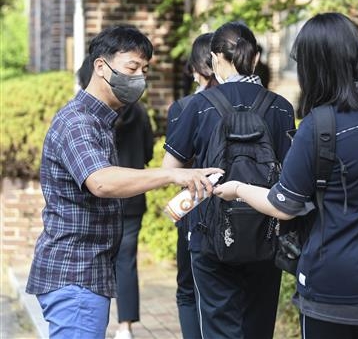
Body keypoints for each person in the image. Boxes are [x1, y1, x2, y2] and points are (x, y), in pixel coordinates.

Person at [214, 12, 358, 339]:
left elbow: (283, 204)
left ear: (315, 65)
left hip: (334, 287)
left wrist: (238, 188)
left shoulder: (320, 126)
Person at [26, 25, 222, 339]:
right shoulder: (78, 121)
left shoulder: (103, 120)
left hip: (87, 274)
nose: (139, 79)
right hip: (76, 274)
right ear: (101, 67)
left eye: (144, 70)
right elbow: (101, 182)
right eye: (132, 68)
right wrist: (172, 173)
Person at [162, 21, 295, 339]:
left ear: (215, 57)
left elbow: (170, 169)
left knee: (219, 328)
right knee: (258, 327)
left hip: (210, 234)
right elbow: (291, 174)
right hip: (266, 232)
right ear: (256, 55)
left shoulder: (198, 106)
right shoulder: (281, 107)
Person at [78, 55, 155, 339]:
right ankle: (125, 326)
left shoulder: (96, 119)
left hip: (103, 199)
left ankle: (100, 320)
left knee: (99, 259)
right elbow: (148, 152)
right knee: (126, 260)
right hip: (133, 197)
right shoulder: (141, 113)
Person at [164, 32, 216, 339]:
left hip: (194, 207)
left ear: (196, 69)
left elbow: (174, 168)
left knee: (187, 288)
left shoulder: (184, 108)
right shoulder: (254, 103)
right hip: (244, 207)